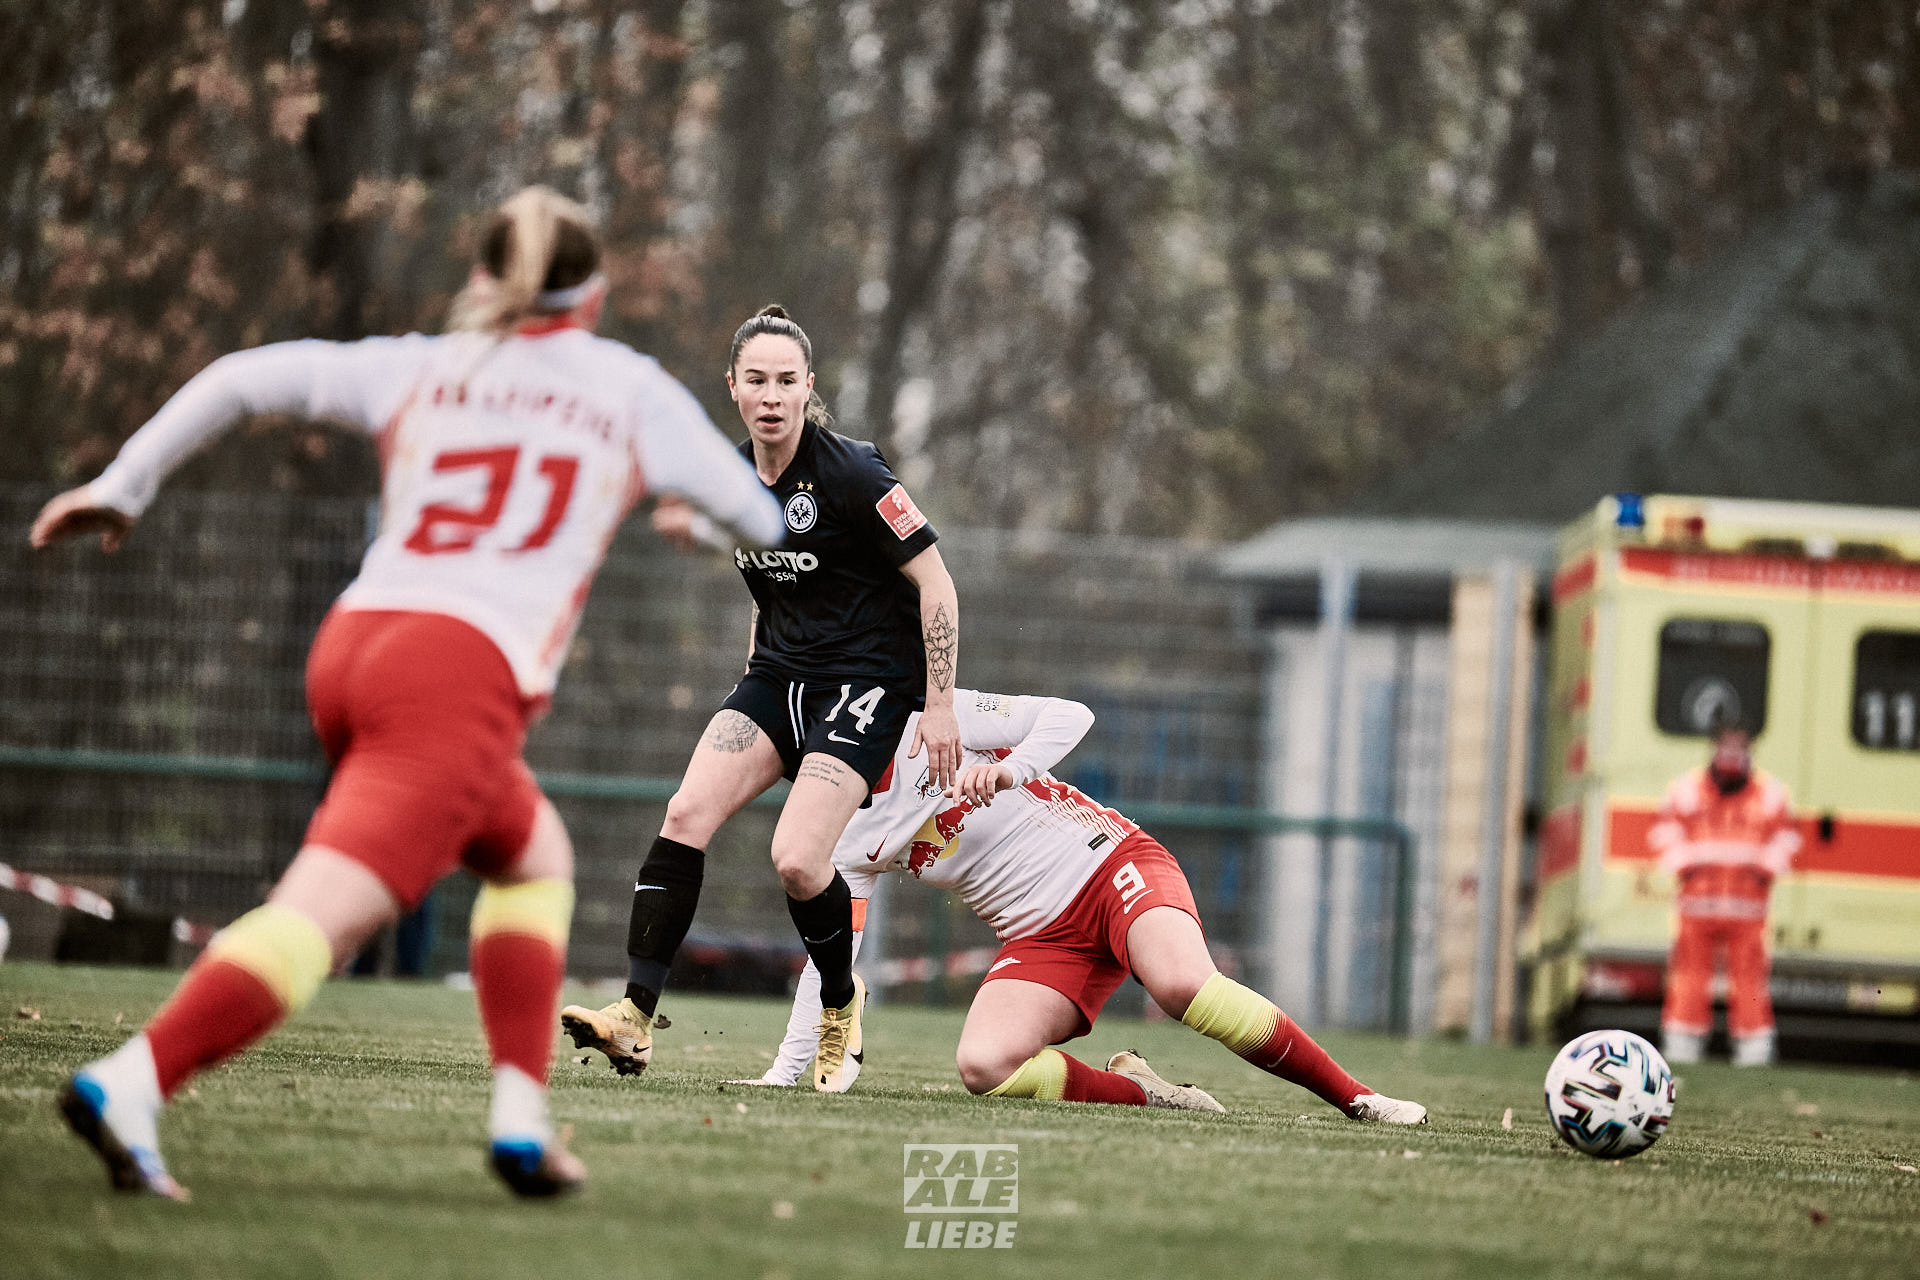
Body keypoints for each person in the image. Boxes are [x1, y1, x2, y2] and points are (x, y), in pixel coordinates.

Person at [30, 187, 784, 1200]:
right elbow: (764, 518)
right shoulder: (626, 385)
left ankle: (520, 1122)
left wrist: (124, 484)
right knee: (320, 918)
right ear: (594, 297)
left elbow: (240, 378)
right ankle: (134, 1079)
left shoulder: (425, 362)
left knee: (532, 856)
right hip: (456, 679)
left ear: (483, 281)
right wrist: (696, 521)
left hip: (358, 643)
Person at [564, 306, 962, 1094]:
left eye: (787, 381)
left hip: (865, 686)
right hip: (777, 680)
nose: (772, 395)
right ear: (735, 390)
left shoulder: (853, 472)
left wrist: (941, 705)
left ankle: (840, 1014)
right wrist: (753, 673)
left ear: (808, 388)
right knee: (683, 817)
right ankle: (636, 1017)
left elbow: (937, 582)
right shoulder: (729, 478)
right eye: (757, 381)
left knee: (795, 859)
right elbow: (780, 577)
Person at [737, 689, 1428, 1123]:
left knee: (1182, 984)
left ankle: (1356, 1098)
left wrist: (1009, 769)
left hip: (1110, 863)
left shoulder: (927, 719)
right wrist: (783, 1071)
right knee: (984, 1066)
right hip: (1041, 939)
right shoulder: (845, 839)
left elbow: (1072, 715)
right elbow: (830, 961)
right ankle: (1143, 1092)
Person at [1647, 723, 1800, 1066]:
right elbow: (1662, 832)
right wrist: (1685, 865)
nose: (1732, 754)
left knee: (1749, 979)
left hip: (1747, 908)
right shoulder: (1686, 791)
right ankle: (1682, 1047)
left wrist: (1764, 871)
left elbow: (1788, 839)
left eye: (1739, 746)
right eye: (1726, 746)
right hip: (1697, 906)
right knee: (1688, 976)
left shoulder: (1771, 794)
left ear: (1750, 750)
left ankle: (1754, 1050)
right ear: (1713, 748)